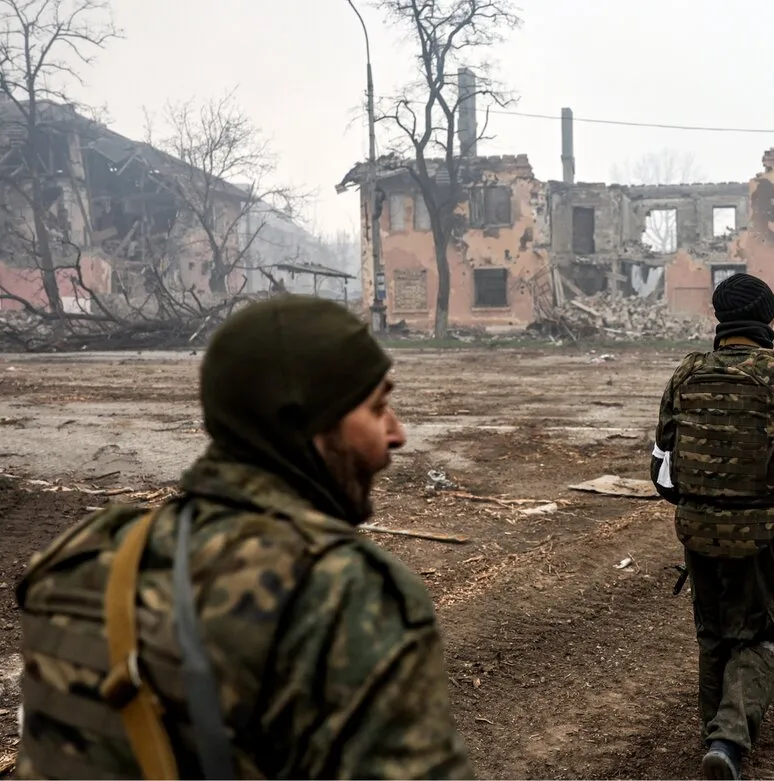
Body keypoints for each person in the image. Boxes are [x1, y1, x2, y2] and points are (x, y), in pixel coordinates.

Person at [14, 295, 474, 780]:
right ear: (305, 425)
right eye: (377, 407)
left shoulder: (82, 557)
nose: (397, 433)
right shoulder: (341, 594)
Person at [650, 273, 774, 780]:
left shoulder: (686, 375)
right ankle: (728, 741)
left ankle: (714, 733)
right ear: (767, 321)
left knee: (713, 636)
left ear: (720, 319)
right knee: (760, 635)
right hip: (755, 535)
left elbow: (661, 470)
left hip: (696, 531)